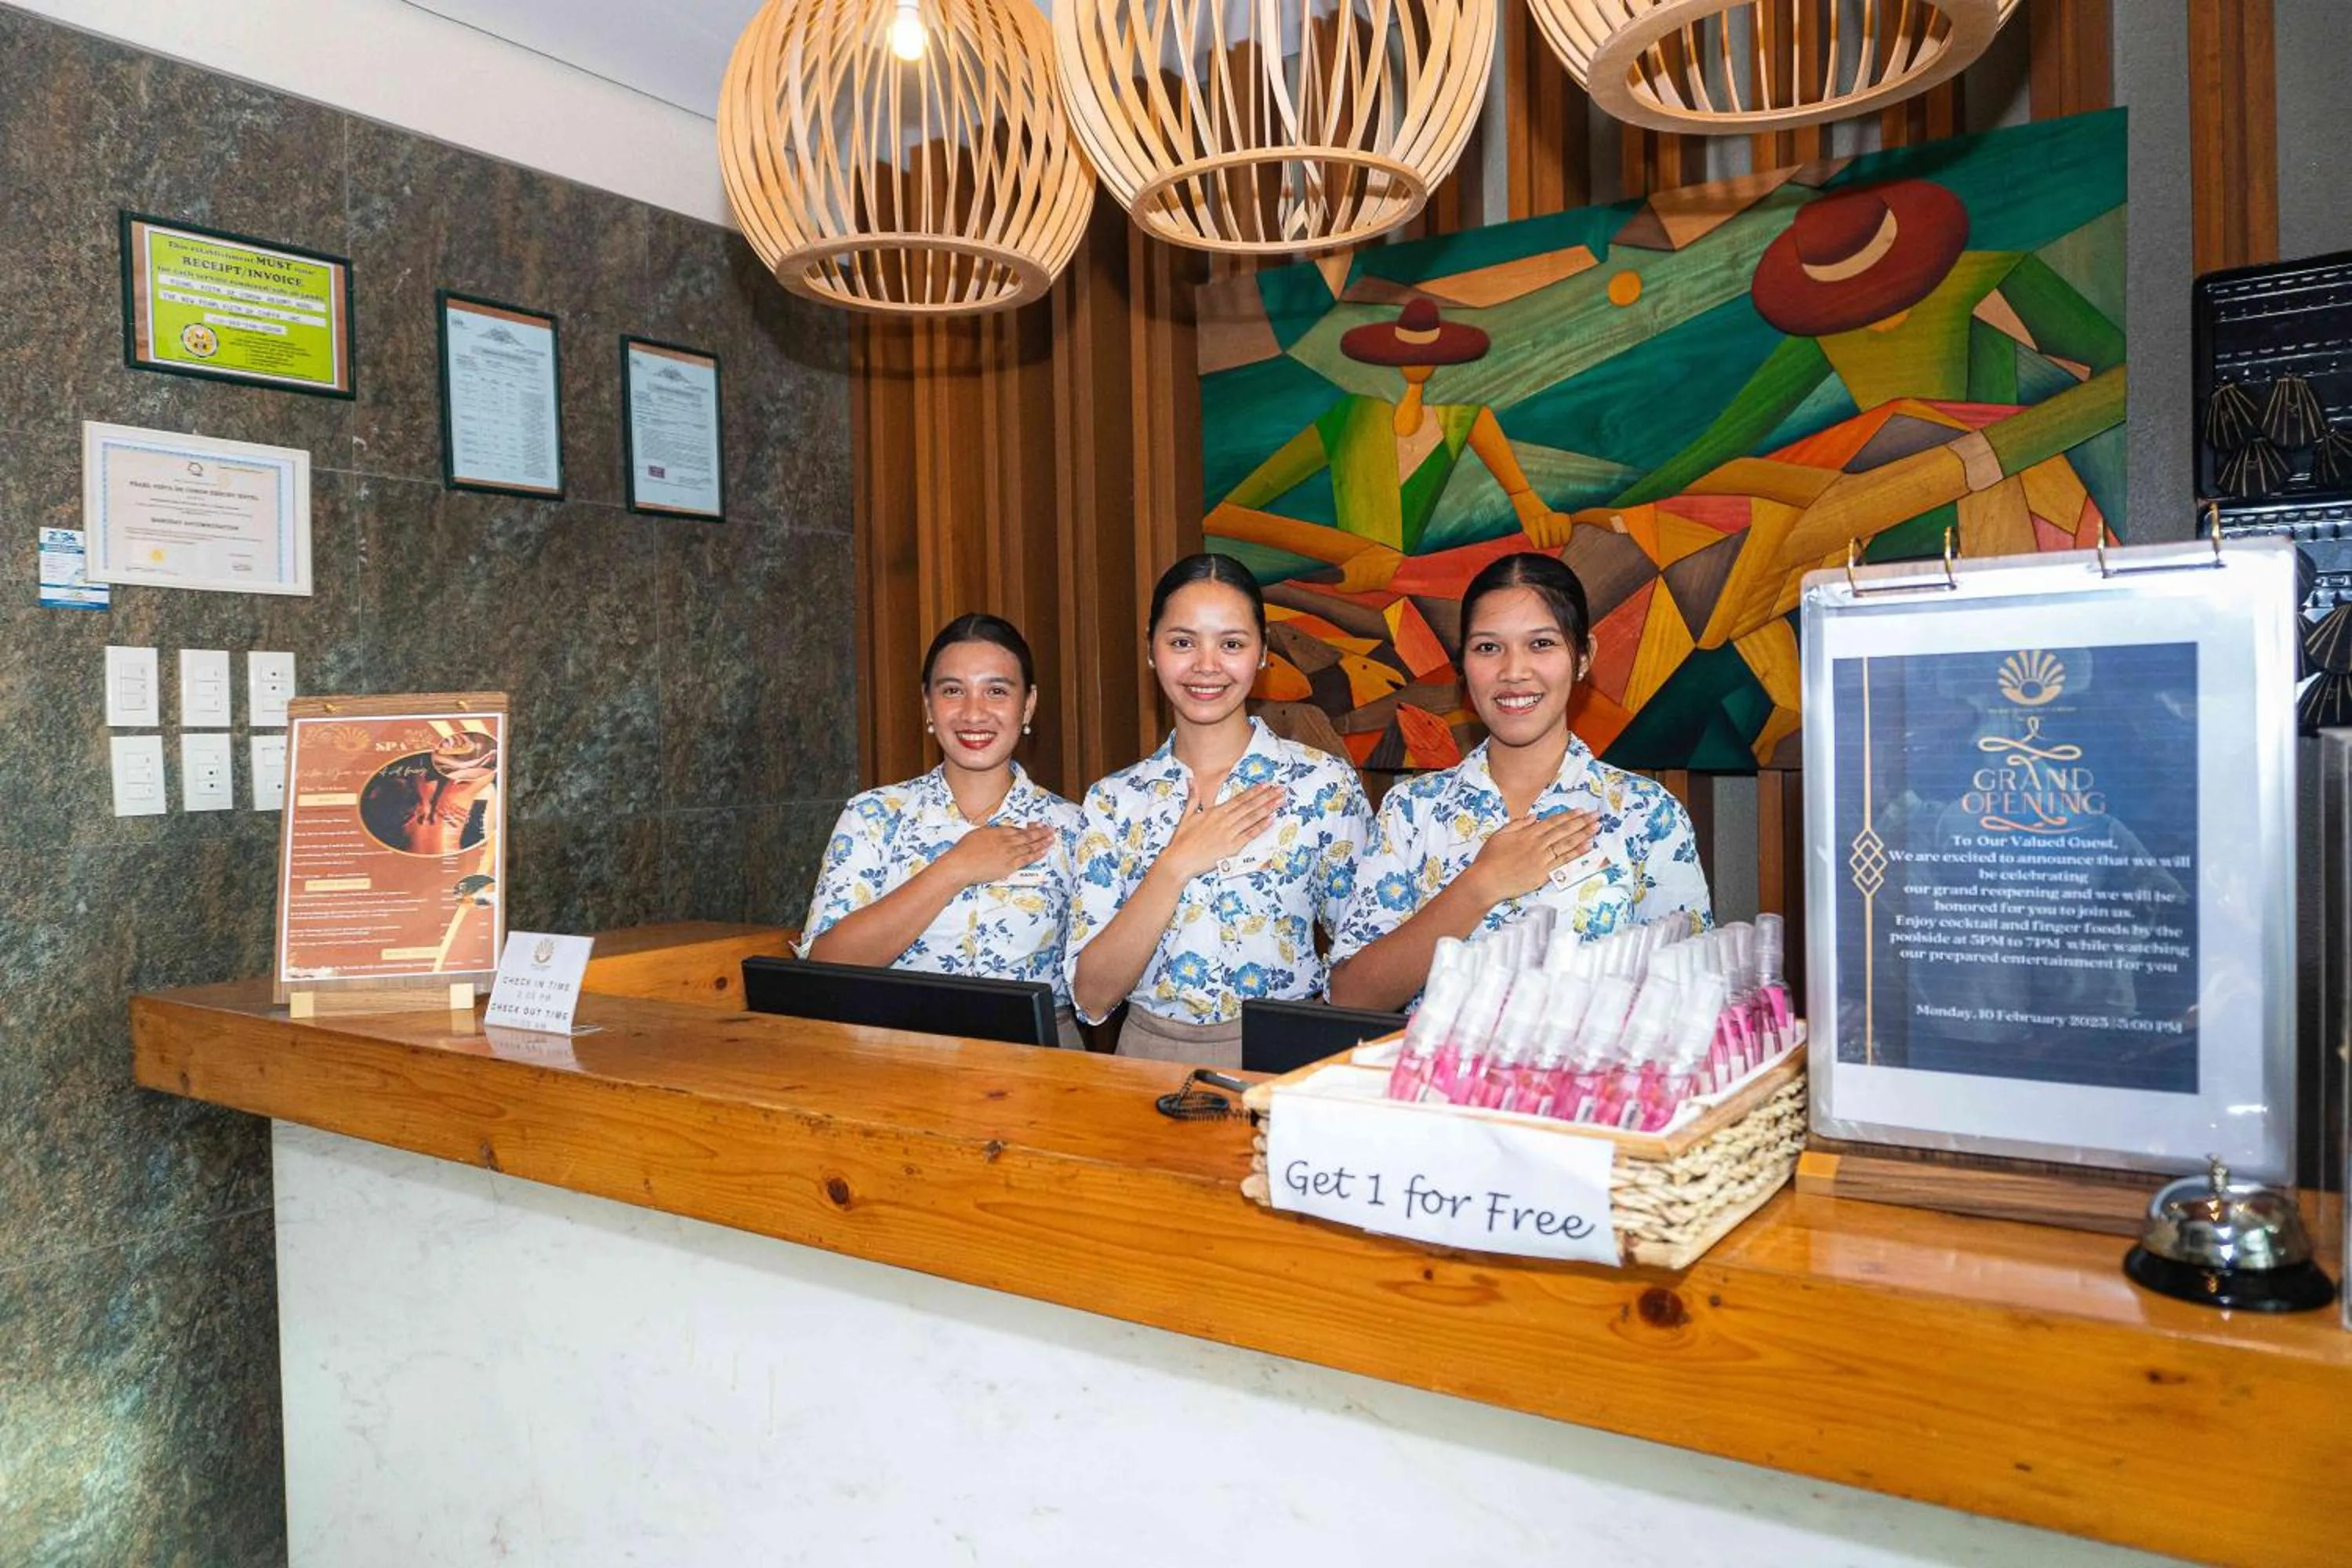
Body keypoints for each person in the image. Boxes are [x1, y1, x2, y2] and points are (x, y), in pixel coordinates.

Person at [1326, 553, 1711, 1012]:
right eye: (1488, 647)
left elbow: (1691, 998)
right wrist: (1480, 886)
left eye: (1542, 644)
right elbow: (1351, 997)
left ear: (1583, 656)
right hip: (1434, 1081)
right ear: (1463, 665)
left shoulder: (1646, 814)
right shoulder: (1412, 810)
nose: (1513, 671)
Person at [1065, 554, 1374, 1067]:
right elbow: (1092, 997)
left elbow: (1363, 964)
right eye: (1182, 642)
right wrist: (1174, 867)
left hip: (1286, 1058)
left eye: (1231, 644)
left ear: (1262, 654)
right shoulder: (1114, 800)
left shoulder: (1323, 785)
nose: (1206, 665)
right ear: (1151, 650)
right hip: (1145, 1061)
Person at [800, 614, 1086, 1050]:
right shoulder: (874, 817)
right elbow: (825, 967)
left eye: (996, 691)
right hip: (899, 1058)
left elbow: (1097, 989)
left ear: (1027, 706)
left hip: (1039, 1062)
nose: (974, 713)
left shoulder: (1073, 826)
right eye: (953, 691)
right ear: (928, 705)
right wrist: (955, 868)